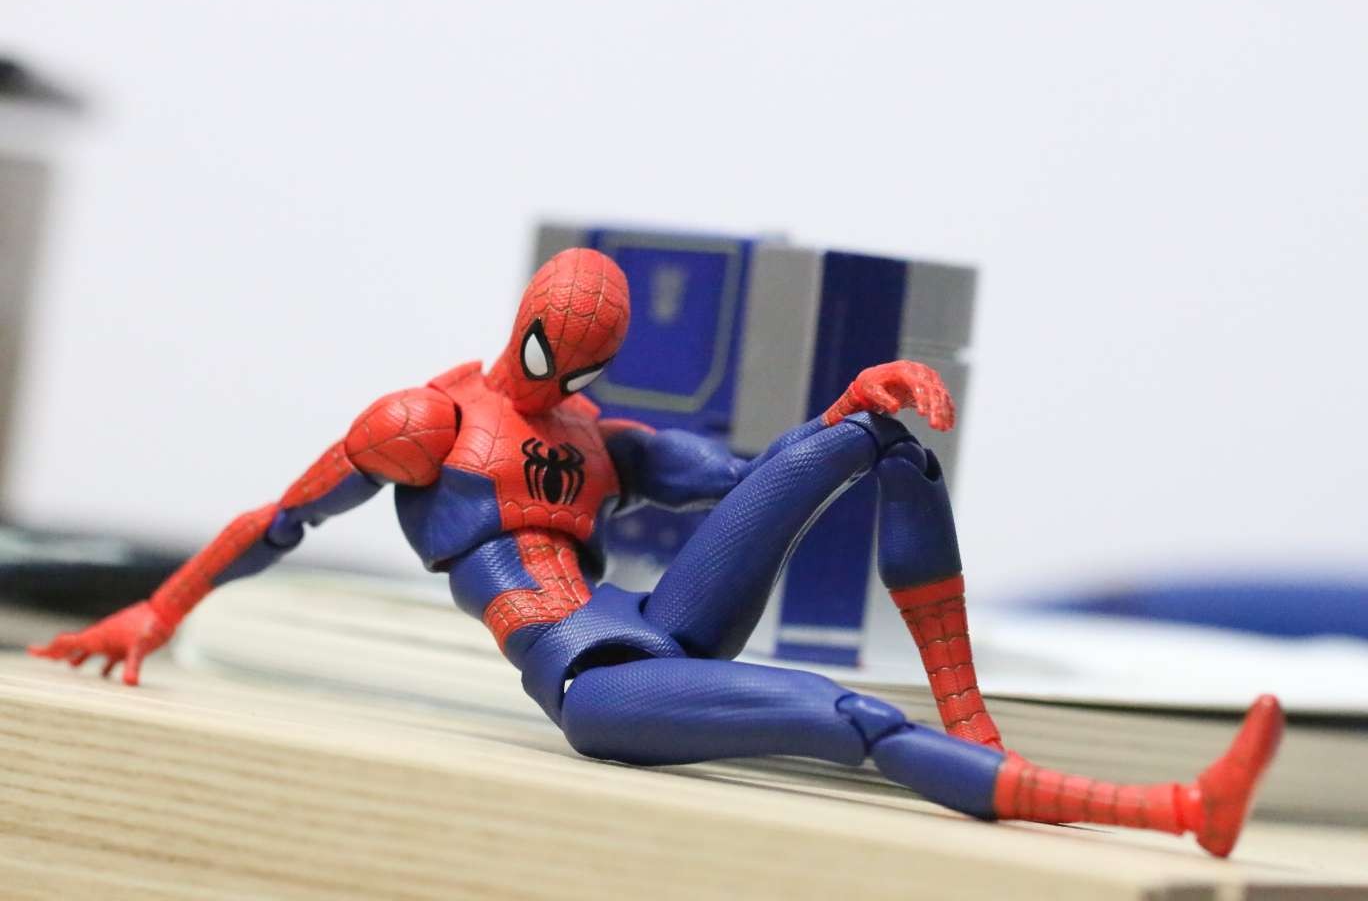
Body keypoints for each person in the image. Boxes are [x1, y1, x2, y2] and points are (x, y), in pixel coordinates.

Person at [31, 248, 1282, 857]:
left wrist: (846, 409)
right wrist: (159, 611)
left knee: (880, 443)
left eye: (587, 364)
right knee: (844, 715)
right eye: (555, 353)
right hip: (590, 681)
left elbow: (749, 480)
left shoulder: (597, 436)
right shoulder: (427, 425)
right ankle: (1171, 810)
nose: (565, 378)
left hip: (654, 622)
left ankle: (976, 724)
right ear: (527, 326)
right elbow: (282, 518)